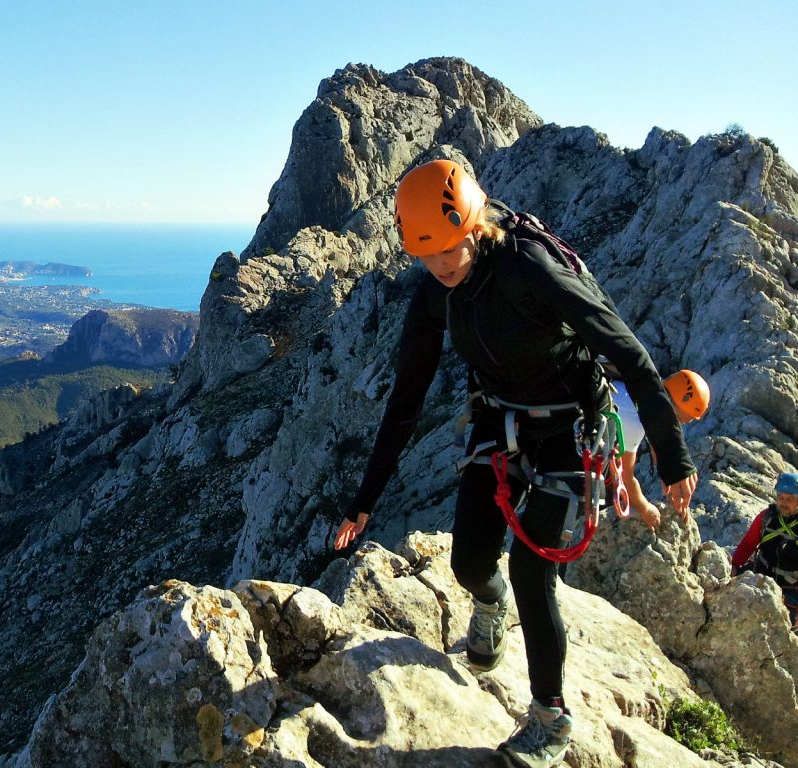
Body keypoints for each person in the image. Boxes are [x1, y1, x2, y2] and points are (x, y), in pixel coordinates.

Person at [332, 159, 698, 768]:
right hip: (497, 425)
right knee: (470, 561)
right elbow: (405, 401)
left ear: (473, 224)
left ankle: (551, 720)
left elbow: (626, 351)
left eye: (451, 248)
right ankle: (489, 600)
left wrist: (671, 452)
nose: (444, 265)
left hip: (571, 431)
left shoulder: (528, 267)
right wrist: (364, 500)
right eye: (429, 257)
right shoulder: (432, 296)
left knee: (535, 572)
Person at [610, 369, 710, 530]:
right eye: (677, 422)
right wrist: (645, 508)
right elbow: (624, 479)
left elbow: (658, 438)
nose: (674, 428)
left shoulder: (642, 385)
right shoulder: (633, 420)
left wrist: (672, 478)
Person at [730, 472, 798, 631]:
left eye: (789, 499)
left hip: (790, 592)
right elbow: (748, 544)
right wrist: (734, 566)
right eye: (781, 497)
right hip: (759, 579)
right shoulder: (766, 517)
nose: (783, 503)